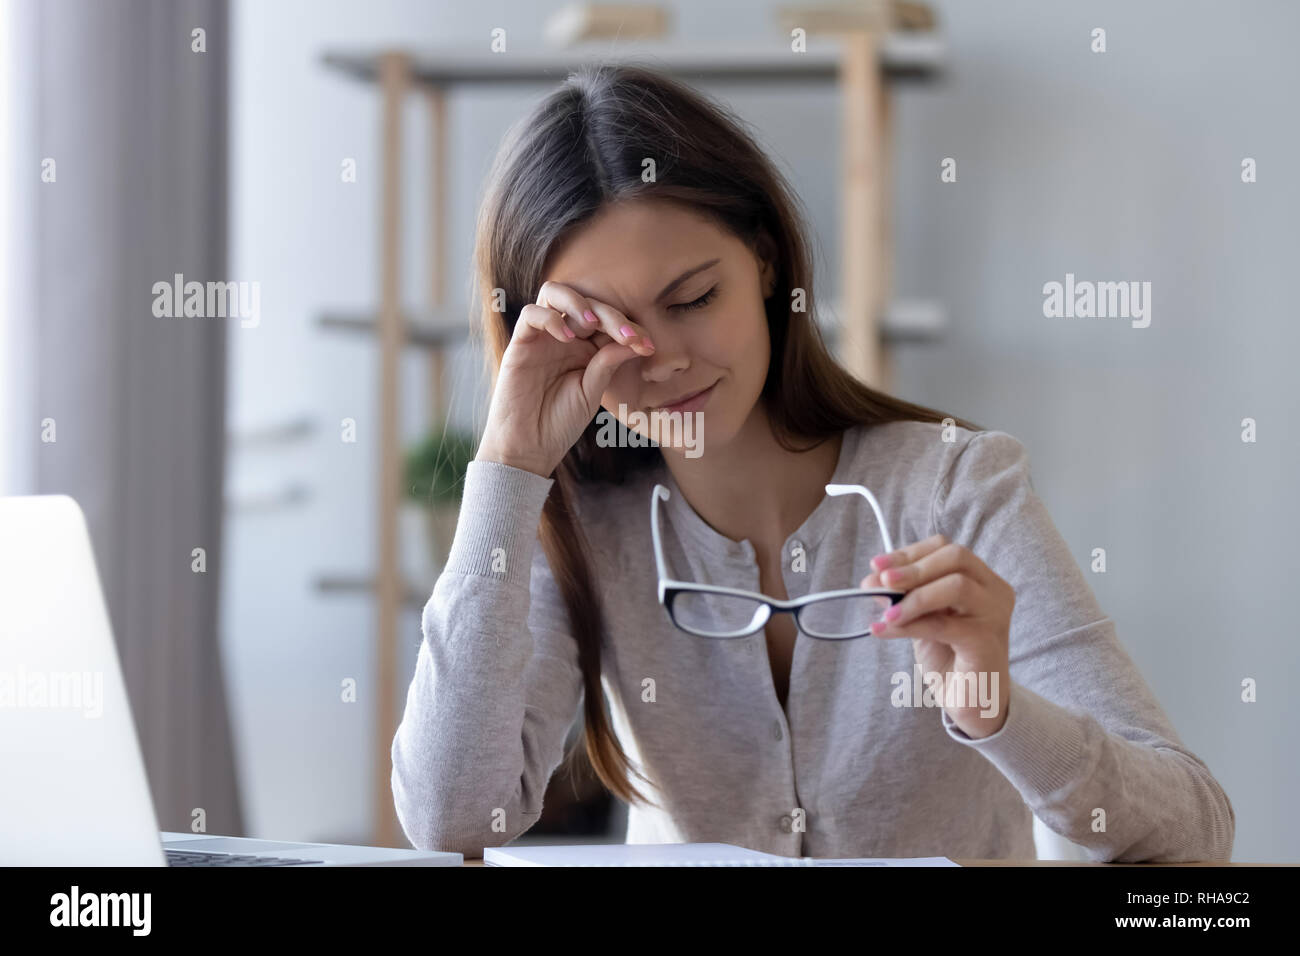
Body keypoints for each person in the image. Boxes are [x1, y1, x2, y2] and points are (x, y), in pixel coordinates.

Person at [391, 63, 1234, 862]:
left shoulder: (957, 485)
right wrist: (509, 465)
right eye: (607, 332)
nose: (665, 362)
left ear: (764, 261)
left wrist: (999, 714)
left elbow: (1195, 829)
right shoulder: (578, 524)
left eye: (693, 300)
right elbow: (451, 815)